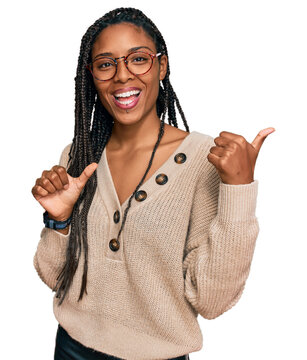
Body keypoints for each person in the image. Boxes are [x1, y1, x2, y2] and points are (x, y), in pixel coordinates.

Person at [32, 7, 274, 360]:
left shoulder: (202, 160)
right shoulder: (79, 154)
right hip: (71, 348)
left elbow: (211, 301)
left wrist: (238, 191)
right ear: (91, 76)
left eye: (138, 59)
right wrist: (59, 220)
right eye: (105, 64)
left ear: (162, 66)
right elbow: (55, 277)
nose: (122, 76)